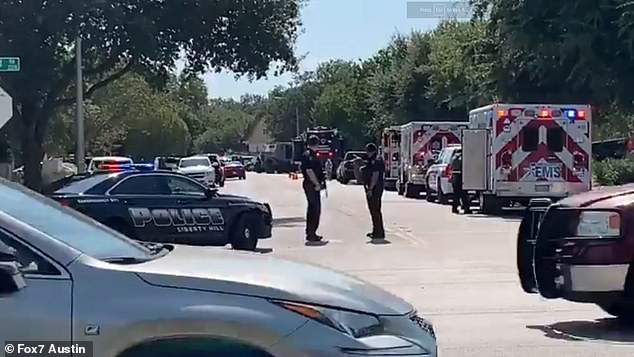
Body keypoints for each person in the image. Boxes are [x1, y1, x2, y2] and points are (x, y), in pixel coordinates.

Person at [300, 135, 326, 242]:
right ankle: (311, 233)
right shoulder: (309, 156)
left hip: (312, 184)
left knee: (314, 209)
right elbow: (309, 171)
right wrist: (316, 184)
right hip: (311, 185)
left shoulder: (312, 155)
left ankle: (312, 232)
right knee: (314, 209)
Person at [361, 143, 385, 239]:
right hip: (372, 187)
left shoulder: (377, 161)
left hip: (375, 188)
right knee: (373, 210)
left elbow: (375, 176)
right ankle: (376, 231)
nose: (367, 153)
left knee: (375, 210)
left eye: (368, 151)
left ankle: (378, 232)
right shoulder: (371, 160)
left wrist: (370, 188)